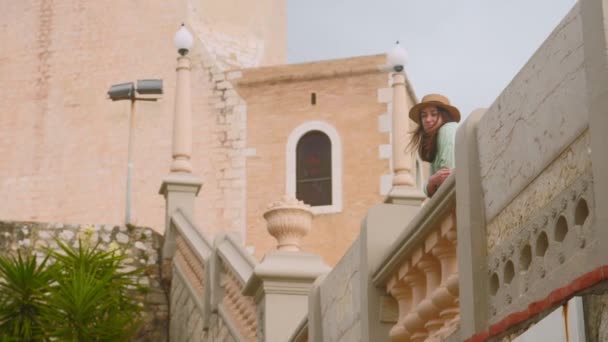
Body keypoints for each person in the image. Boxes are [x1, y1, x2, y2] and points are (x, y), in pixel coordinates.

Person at [407, 94, 460, 197]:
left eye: (434, 114)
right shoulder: (434, 142)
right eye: (424, 115)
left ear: (445, 115)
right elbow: (430, 190)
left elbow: (446, 176)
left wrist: (432, 182)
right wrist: (432, 181)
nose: (427, 119)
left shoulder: (447, 129)